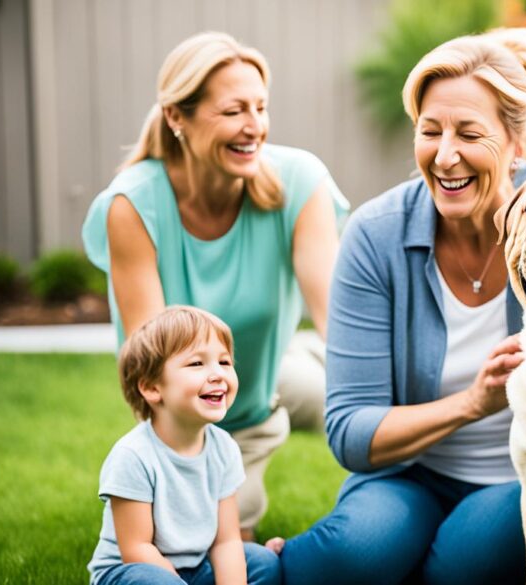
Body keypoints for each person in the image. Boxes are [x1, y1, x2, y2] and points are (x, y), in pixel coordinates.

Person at [272, 28, 526, 585]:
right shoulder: (376, 235)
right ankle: (257, 564)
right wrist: (473, 403)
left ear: (518, 143)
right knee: (348, 556)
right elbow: (351, 430)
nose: (445, 156)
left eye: (469, 133)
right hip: (409, 475)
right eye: (430, 131)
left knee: (465, 566)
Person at [82, 31, 347, 540]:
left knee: (366, 406)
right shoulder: (134, 204)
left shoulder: (299, 181)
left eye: (261, 107)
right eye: (232, 112)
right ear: (176, 117)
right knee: (210, 545)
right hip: (195, 418)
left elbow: (340, 321)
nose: (255, 127)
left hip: (265, 383)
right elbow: (153, 365)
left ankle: (300, 364)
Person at [86, 306, 281, 585]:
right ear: (153, 388)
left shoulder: (224, 448)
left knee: (262, 563)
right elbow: (136, 550)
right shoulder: (133, 456)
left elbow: (225, 541)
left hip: (194, 567)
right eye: (196, 364)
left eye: (224, 362)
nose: (217, 374)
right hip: (133, 573)